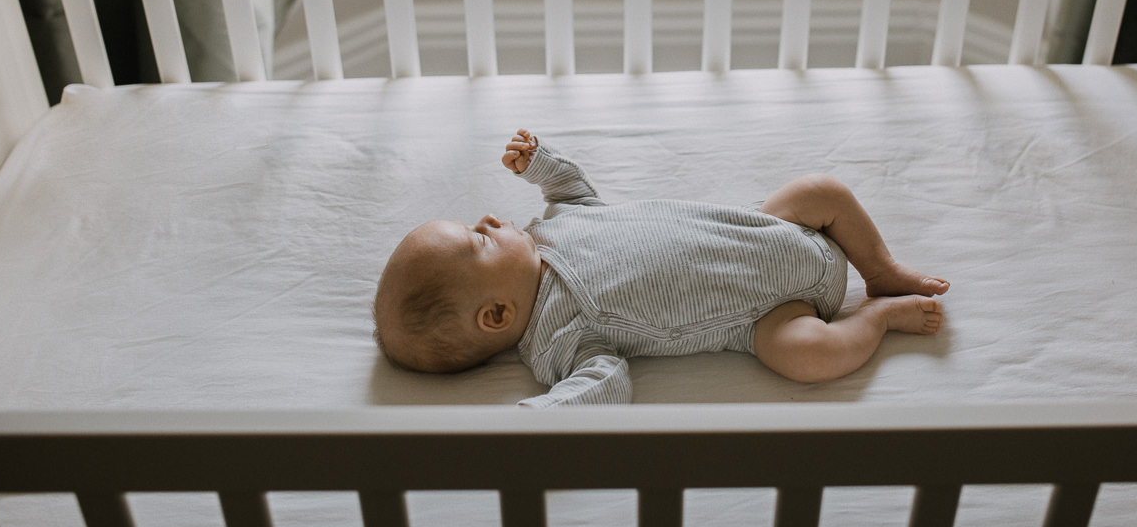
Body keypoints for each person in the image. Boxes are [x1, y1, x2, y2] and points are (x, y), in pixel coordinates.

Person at [373, 129, 947, 406]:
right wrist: (541, 416)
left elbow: (575, 191)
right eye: (478, 239)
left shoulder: (550, 227)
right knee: (807, 357)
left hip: (770, 228)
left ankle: (882, 271)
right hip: (772, 315)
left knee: (821, 188)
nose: (491, 218)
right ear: (497, 314)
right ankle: (879, 319)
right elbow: (605, 384)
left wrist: (541, 165)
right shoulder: (557, 339)